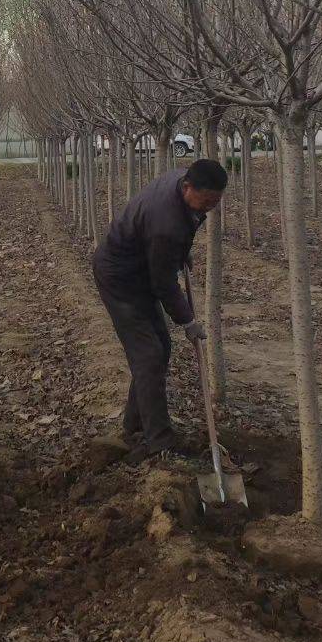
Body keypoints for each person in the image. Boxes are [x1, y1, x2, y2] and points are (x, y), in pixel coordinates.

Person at [92, 158, 228, 462]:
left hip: (141, 267)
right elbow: (164, 284)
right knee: (149, 354)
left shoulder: (181, 181)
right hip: (121, 278)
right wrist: (188, 321)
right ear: (189, 188)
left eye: (215, 202)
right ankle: (159, 439)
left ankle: (135, 425)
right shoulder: (166, 223)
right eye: (206, 201)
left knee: (160, 348)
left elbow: (170, 245)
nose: (209, 208)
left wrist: (178, 252)